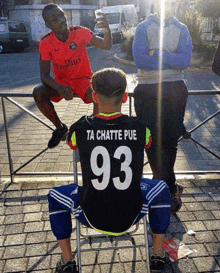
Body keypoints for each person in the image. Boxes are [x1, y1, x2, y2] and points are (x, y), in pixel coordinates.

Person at [47, 68, 171, 273]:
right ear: (124, 97)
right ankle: (157, 254)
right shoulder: (141, 127)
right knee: (162, 188)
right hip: (132, 212)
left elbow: (72, 144)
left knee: (54, 195)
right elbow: (148, 143)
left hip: (90, 214)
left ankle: (68, 261)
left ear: (94, 96)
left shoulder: (80, 128)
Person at [132, 0, 192, 213]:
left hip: (175, 90)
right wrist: (170, 59)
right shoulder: (143, 27)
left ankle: (162, 186)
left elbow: (185, 61)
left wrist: (156, 53)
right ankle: (169, 188)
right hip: (148, 90)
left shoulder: (182, 29)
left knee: (169, 140)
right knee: (151, 140)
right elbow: (140, 60)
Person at [33, 4, 112, 149]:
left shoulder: (79, 32)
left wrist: (107, 30)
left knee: (98, 94)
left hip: (83, 80)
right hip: (62, 82)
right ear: (48, 24)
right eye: (54, 19)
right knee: (38, 92)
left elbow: (105, 45)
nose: (61, 20)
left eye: (62, 15)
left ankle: (94, 133)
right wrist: (60, 87)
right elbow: (44, 75)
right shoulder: (45, 42)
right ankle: (60, 129)